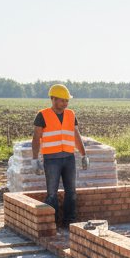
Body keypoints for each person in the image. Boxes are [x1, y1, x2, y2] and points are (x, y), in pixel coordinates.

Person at [31, 84, 89, 229]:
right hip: (51, 160)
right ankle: (52, 224)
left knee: (71, 192)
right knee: (52, 194)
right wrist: (35, 159)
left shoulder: (71, 114)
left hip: (69, 158)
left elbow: (76, 135)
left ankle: (70, 222)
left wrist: (84, 155)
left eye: (67, 100)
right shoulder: (42, 115)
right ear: (53, 99)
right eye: (62, 100)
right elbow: (36, 138)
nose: (65, 103)